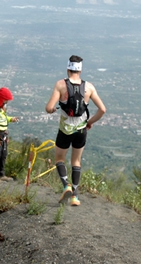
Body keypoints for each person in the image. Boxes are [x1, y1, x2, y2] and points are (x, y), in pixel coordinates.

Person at [45, 55, 106, 206]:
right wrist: (89, 122)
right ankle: (75, 196)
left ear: (68, 69)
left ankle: (66, 186)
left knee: (59, 158)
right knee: (76, 161)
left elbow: (48, 108)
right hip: (81, 129)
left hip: (65, 129)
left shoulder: (60, 85)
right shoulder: (89, 87)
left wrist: (53, 109)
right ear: (80, 70)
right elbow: (102, 109)